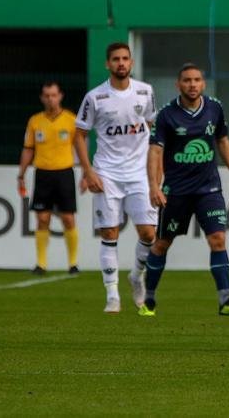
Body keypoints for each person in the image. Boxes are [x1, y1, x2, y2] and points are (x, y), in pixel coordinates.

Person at [140, 64, 229, 316]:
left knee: (218, 239)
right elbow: (155, 151)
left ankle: (226, 300)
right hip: (175, 191)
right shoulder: (167, 115)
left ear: (203, 84)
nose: (192, 84)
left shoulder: (214, 107)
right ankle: (148, 299)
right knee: (162, 244)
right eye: (187, 80)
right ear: (178, 84)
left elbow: (222, 140)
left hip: (208, 189)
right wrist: (154, 187)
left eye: (197, 80)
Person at [73, 43, 158, 314]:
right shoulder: (95, 97)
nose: (120, 63)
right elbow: (79, 135)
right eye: (115, 59)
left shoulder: (145, 92)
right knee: (109, 233)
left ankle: (136, 276)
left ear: (131, 63)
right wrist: (88, 172)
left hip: (139, 175)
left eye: (125, 59)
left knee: (148, 233)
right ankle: (112, 295)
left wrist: (156, 173)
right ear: (107, 64)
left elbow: (155, 133)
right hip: (107, 173)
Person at [17, 82, 79, 276]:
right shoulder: (35, 121)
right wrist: (21, 174)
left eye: (53, 95)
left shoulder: (71, 120)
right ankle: (41, 264)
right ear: (42, 98)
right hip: (43, 173)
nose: (50, 99)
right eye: (47, 95)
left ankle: (73, 263)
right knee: (42, 218)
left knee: (68, 219)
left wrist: (87, 172)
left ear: (60, 96)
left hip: (64, 172)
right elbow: (28, 148)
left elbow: (81, 148)